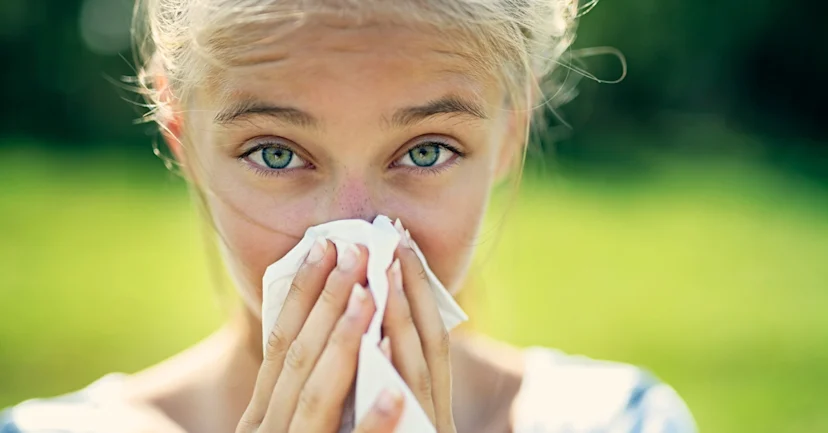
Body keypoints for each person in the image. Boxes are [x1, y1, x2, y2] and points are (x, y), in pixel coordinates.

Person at [0, 1, 696, 432]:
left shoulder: (622, 420)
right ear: (184, 138)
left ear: (510, 134)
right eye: (275, 153)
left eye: (427, 150)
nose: (358, 238)